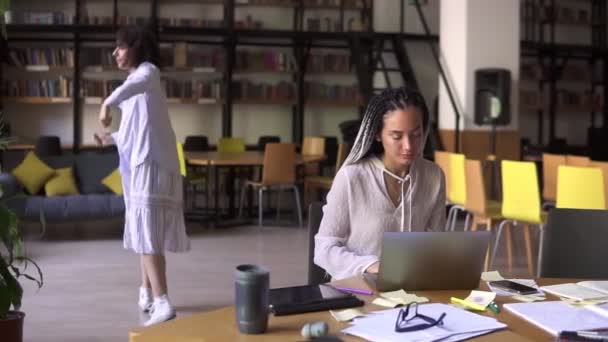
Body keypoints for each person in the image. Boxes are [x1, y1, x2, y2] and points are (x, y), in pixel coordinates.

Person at [94, 26, 190, 326]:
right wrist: (110, 139)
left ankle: (163, 302)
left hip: (152, 164)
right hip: (141, 163)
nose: (115, 53)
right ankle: (147, 292)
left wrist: (106, 103)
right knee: (143, 231)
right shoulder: (136, 83)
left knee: (147, 234)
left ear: (136, 48)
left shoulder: (148, 73)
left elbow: (130, 89)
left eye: (120, 47)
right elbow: (135, 130)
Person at [314, 87, 446, 280]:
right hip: (358, 291)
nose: (409, 146)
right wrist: (372, 266)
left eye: (416, 134)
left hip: (412, 290)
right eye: (397, 136)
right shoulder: (352, 177)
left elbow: (436, 243)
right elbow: (324, 249)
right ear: (378, 134)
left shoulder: (434, 176)